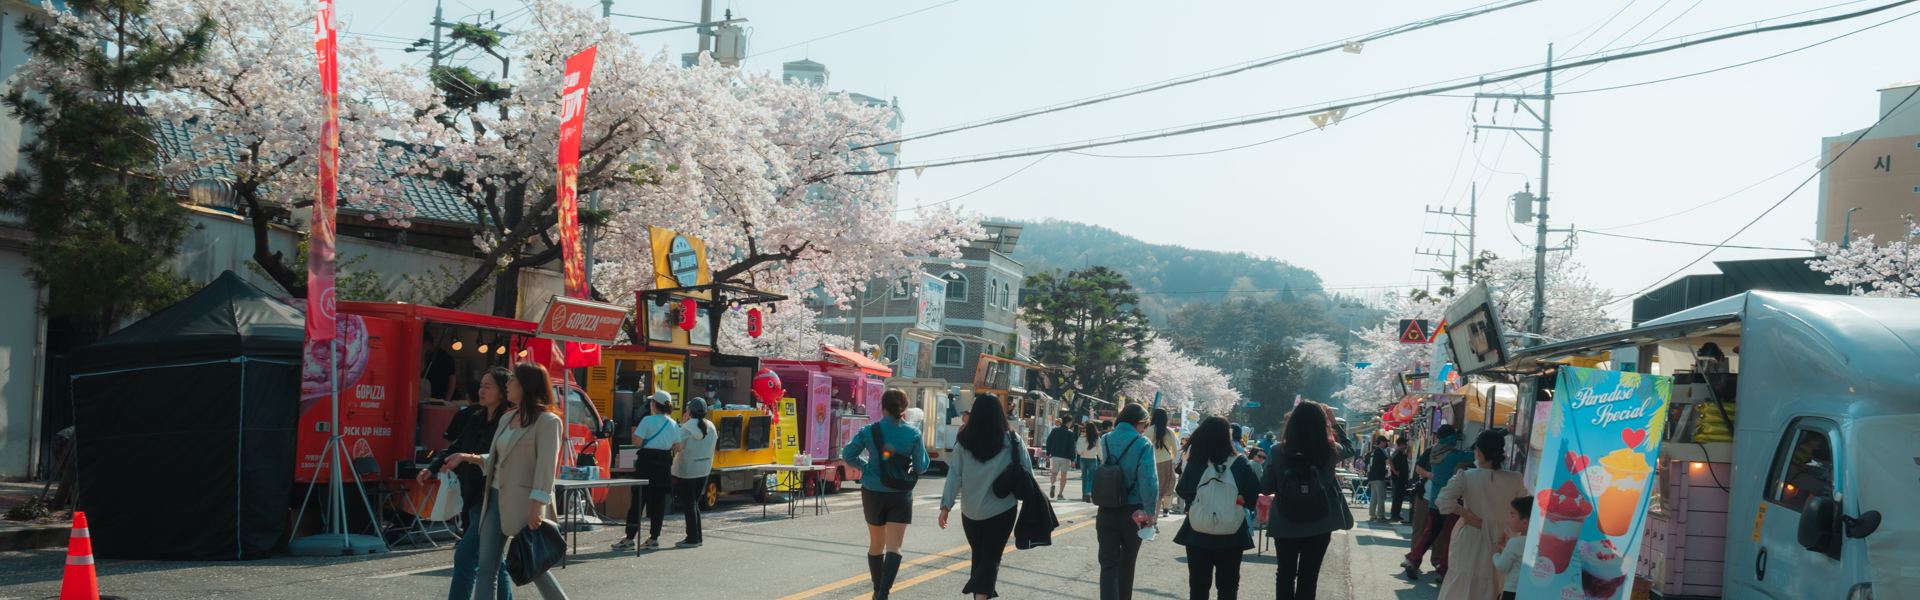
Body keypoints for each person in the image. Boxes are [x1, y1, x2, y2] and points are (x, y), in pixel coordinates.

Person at [440, 362, 569, 600]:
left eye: (512, 380)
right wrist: (468, 457)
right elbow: (499, 458)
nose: (507, 384)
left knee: (535, 566)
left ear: (526, 385)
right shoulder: (507, 418)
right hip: (493, 498)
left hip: (526, 503)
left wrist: (537, 506)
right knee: (486, 567)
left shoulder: (548, 421)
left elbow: (546, 468)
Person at [421, 368, 513, 600]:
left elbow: (502, 459)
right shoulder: (475, 418)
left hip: (492, 497)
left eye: (488, 386)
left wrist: (466, 457)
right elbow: (456, 447)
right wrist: (432, 467)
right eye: (481, 385)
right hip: (472, 496)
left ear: (503, 391)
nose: (481, 391)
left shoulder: (509, 421)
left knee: (465, 556)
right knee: (493, 560)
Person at [939, 394, 1031, 600]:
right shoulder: (1013, 440)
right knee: (991, 557)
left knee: (979, 556)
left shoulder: (964, 441)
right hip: (1002, 508)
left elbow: (954, 475)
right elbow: (1027, 472)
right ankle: (981, 597)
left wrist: (946, 507)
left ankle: (979, 596)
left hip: (971, 511)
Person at [1262, 401, 1354, 600]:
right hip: (1320, 521)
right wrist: (1333, 421)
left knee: (1285, 575)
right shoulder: (1330, 450)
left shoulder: (1278, 451)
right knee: (1309, 577)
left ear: (1292, 423)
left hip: (1285, 521)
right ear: (1322, 424)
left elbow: (1266, 487)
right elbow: (1350, 448)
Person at [843, 389, 928, 600]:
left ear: (882, 407)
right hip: (900, 493)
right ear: (904, 408)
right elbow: (921, 466)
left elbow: (848, 454)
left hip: (872, 491)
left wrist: (866, 467)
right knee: (894, 546)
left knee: (876, 544)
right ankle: (883, 593)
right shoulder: (913, 433)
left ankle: (876, 589)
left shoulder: (869, 431)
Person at [1174, 417, 1261, 600]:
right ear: (1227, 436)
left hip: (1197, 530)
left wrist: (1196, 500)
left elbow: (1181, 489)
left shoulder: (1196, 462)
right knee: (1228, 586)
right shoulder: (1240, 463)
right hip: (1231, 532)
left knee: (1198, 586)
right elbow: (1253, 496)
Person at [1436, 430, 1528, 600]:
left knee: (1464, 584)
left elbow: (1443, 501)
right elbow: (1525, 508)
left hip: (1472, 534)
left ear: (1479, 452)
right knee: (1495, 584)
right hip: (1503, 537)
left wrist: (1466, 514)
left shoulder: (1466, 476)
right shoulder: (1516, 478)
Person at [1094, 404, 1158, 600]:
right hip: (1133, 511)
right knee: (1127, 562)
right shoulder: (1143, 443)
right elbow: (1149, 481)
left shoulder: (1105, 439)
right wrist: (1150, 512)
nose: (1144, 430)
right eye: (1145, 425)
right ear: (1139, 422)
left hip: (1106, 507)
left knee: (1108, 564)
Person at [1404, 424, 1473, 582]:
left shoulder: (1434, 451)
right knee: (1449, 537)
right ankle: (1443, 571)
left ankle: (1413, 561)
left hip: (1434, 501)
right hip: (1449, 501)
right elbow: (1472, 456)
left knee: (1428, 534)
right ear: (1450, 438)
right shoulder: (1453, 455)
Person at [614, 391, 680, 552]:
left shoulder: (648, 420)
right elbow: (678, 447)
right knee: (659, 504)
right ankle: (654, 539)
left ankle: (629, 539)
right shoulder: (673, 423)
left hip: (646, 462)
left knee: (638, 501)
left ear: (654, 404)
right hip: (664, 463)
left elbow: (637, 442)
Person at [671, 398, 718, 549]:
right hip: (704, 469)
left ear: (689, 411)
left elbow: (677, 446)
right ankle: (697, 537)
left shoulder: (686, 427)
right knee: (694, 502)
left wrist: (682, 424)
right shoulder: (711, 426)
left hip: (688, 470)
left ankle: (692, 538)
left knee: (689, 504)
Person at [1491, 496, 1532, 600]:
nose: (1509, 519)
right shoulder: (1536, 542)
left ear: (1525, 523)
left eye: (1512, 515)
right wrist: (1507, 547)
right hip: (1529, 592)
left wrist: (1496, 554)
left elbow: (1502, 566)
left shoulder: (1515, 542)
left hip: (1512, 592)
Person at [1149, 408, 1182, 516]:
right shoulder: (1169, 432)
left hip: (1150, 461)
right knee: (1163, 490)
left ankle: (1150, 514)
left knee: (1151, 489)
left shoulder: (1149, 430)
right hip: (1166, 462)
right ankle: (1162, 513)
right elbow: (1176, 449)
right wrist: (1174, 462)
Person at [1045, 415, 1080, 501]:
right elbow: (1071, 447)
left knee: (1054, 473)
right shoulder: (1070, 433)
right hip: (1065, 457)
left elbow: (1049, 441)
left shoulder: (1055, 430)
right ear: (1069, 422)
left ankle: (1053, 484)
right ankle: (1060, 494)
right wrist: (1073, 459)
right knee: (1063, 475)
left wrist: (1048, 454)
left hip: (1055, 456)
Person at [1366, 436, 1392, 523]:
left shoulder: (1373, 452)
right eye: (1385, 442)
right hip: (1379, 477)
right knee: (1381, 497)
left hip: (1372, 477)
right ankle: (1380, 516)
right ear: (1381, 442)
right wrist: (1388, 453)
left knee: (1374, 497)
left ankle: (1372, 515)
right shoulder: (1380, 451)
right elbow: (1388, 461)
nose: (1386, 443)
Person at [1077, 422, 1102, 502]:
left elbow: (1079, 451)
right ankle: (1088, 493)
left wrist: (1083, 449)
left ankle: (1084, 495)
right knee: (1091, 478)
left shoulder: (1081, 438)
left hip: (1083, 459)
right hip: (1092, 459)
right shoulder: (1097, 438)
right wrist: (1102, 459)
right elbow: (1100, 450)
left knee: (1084, 478)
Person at [1389, 436, 1411, 523]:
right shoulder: (1397, 452)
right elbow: (1390, 461)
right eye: (1405, 444)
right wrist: (1395, 471)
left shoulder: (1402, 453)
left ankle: (1397, 514)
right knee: (1397, 497)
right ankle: (1394, 515)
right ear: (1401, 445)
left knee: (1399, 497)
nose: (1406, 446)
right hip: (1398, 479)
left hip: (1401, 479)